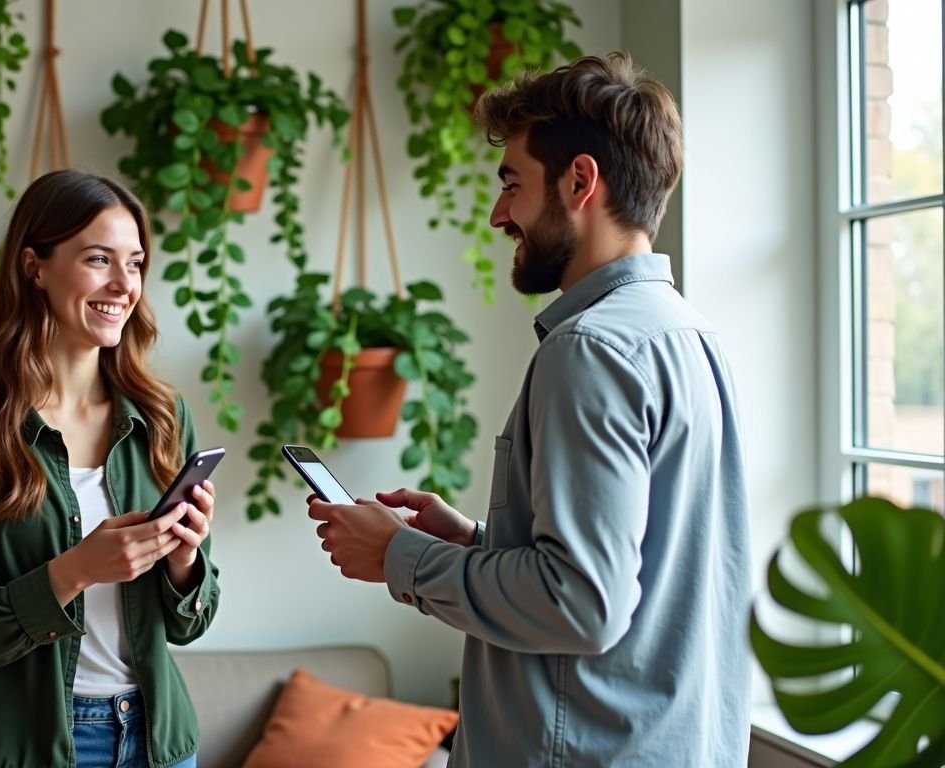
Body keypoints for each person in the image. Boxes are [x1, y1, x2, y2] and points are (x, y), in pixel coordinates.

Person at [307, 53, 751, 766]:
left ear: (580, 180)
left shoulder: (592, 350)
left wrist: (398, 556)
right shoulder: (688, 335)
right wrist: (474, 540)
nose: (498, 213)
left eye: (512, 184)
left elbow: (582, 604)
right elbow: (632, 575)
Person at [0, 170, 218, 768]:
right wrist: (71, 573)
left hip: (159, 744)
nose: (124, 285)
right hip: (26, 750)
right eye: (99, 259)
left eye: (136, 262)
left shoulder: (162, 416)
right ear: (35, 267)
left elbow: (188, 626)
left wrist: (184, 563)